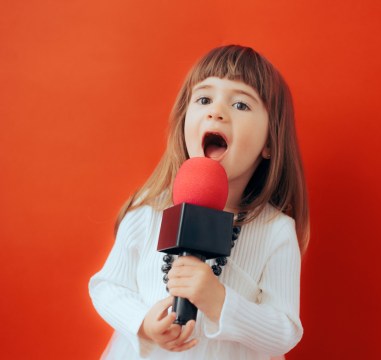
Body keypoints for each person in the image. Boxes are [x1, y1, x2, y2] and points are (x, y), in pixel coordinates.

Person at [89, 45, 310, 359]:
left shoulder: (275, 230)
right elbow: (108, 286)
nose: (216, 111)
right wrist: (142, 323)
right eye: (204, 99)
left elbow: (284, 332)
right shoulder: (149, 209)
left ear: (270, 143)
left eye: (240, 104)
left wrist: (219, 300)